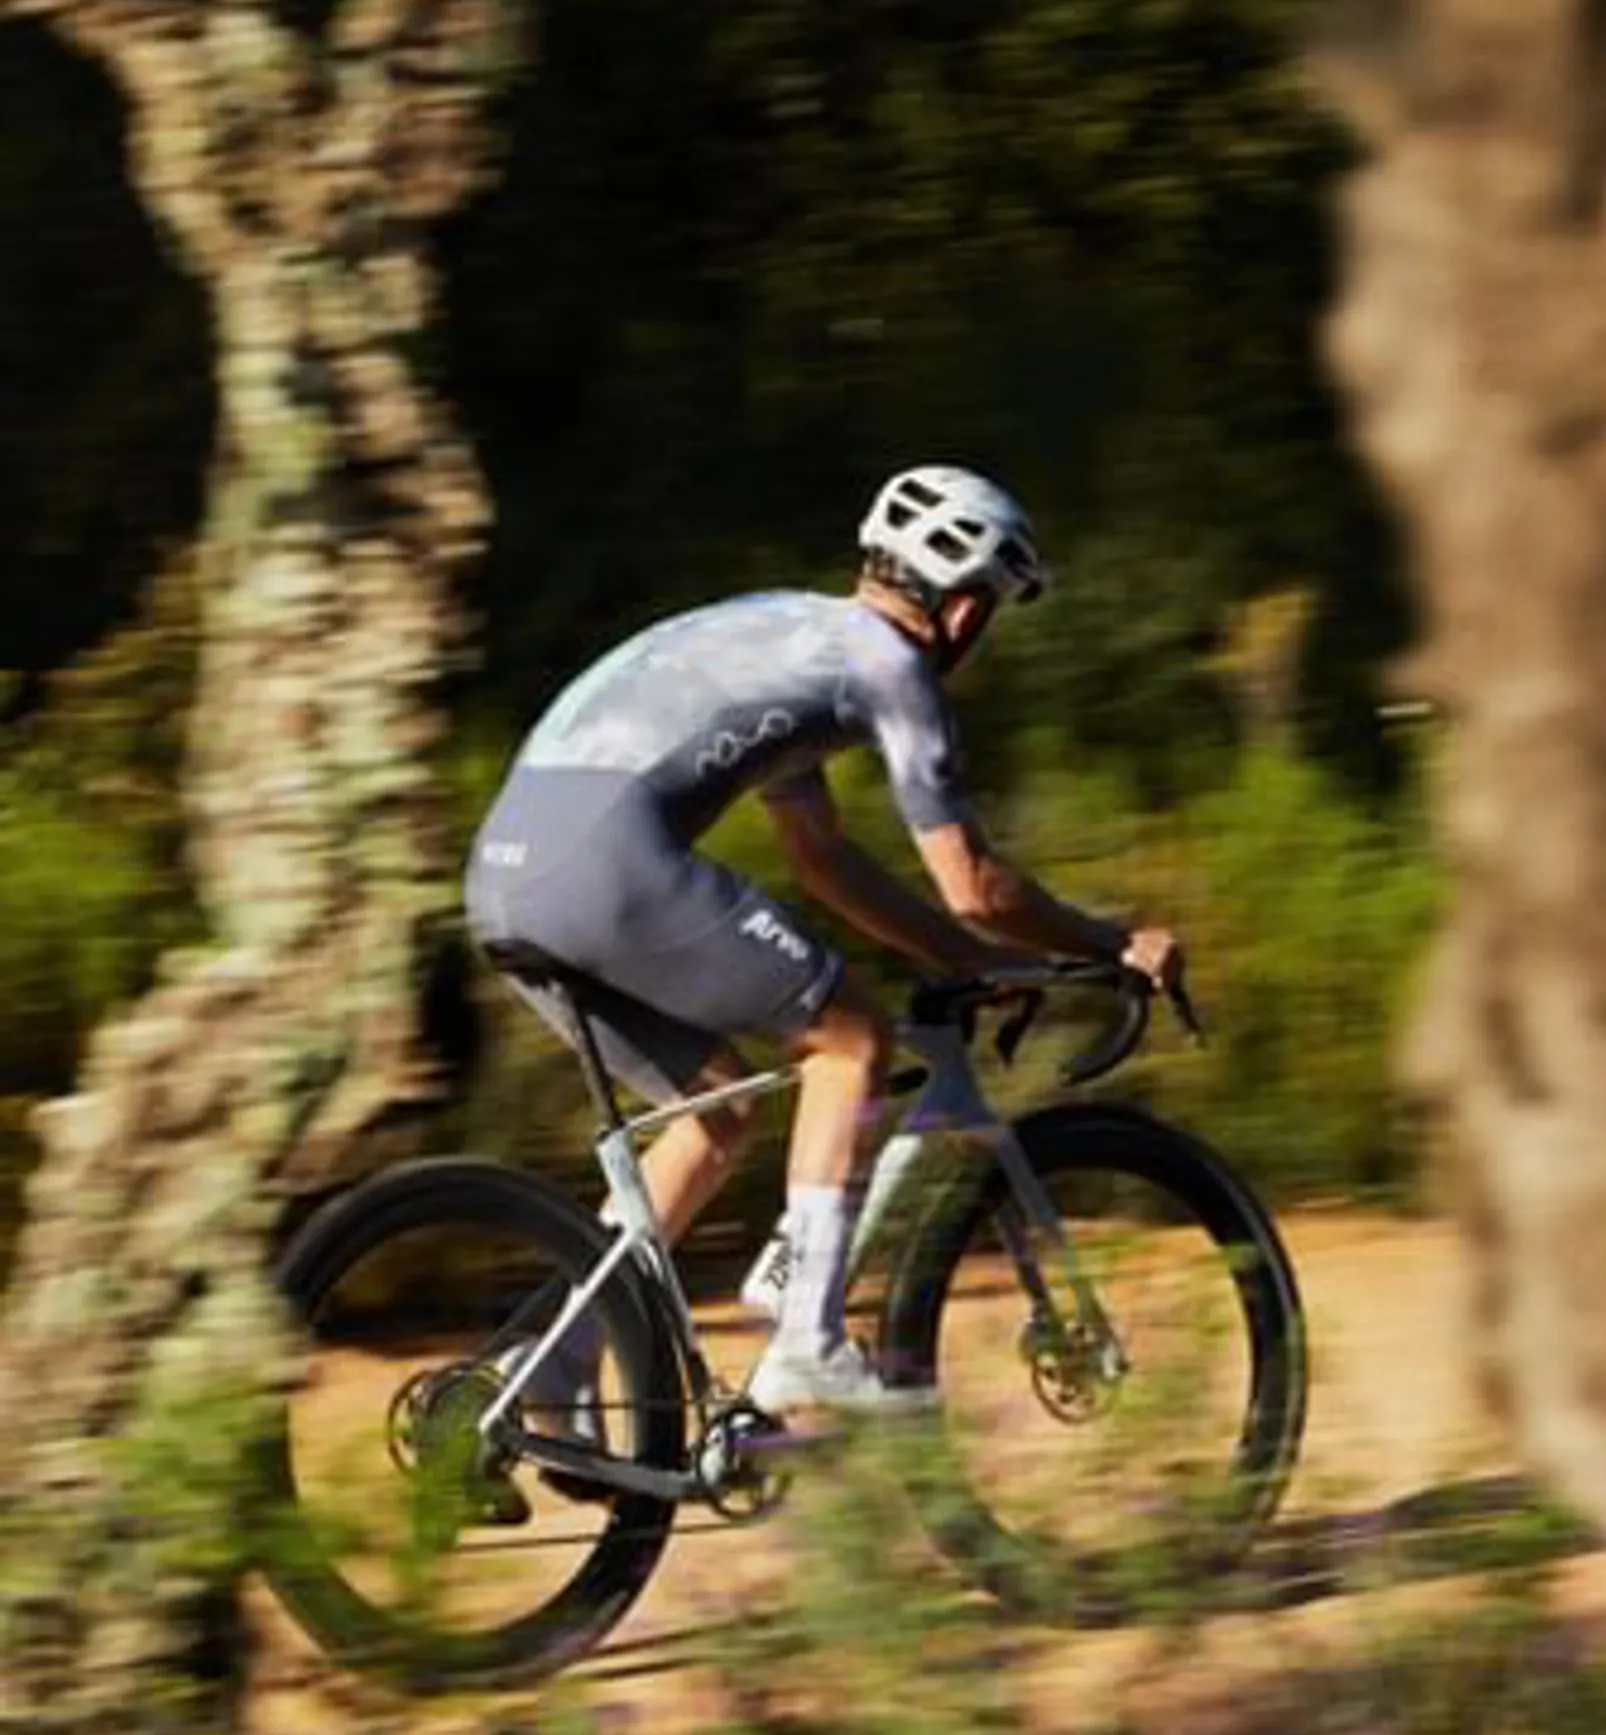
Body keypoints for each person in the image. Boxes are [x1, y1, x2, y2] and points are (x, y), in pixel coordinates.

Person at [465, 464, 1183, 1419]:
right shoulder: (890, 670)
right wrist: (1111, 942)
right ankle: (808, 1337)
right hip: (602, 862)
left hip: (505, 876)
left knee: (718, 1110)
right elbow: (973, 885)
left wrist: (970, 962)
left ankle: (551, 1362)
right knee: (851, 1041)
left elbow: (823, 861)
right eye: (990, 609)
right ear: (964, 607)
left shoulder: (791, 634)